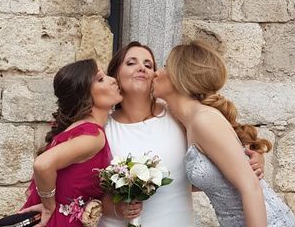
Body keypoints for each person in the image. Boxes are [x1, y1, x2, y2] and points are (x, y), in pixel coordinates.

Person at [99, 42, 265, 227]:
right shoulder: (104, 129)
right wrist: (117, 208)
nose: (141, 68)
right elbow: (89, 194)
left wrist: (252, 159)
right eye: (131, 63)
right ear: (115, 76)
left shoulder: (179, 117)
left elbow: (223, 151)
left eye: (148, 65)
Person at [152, 41, 295, 227]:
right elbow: (219, 182)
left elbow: (251, 187)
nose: (157, 72)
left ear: (179, 77)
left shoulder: (204, 120)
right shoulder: (188, 121)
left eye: (165, 66)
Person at [20, 58, 123, 227]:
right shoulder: (93, 136)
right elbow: (43, 165)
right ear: (85, 95)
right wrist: (49, 206)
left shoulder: (75, 128)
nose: (113, 80)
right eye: (100, 79)